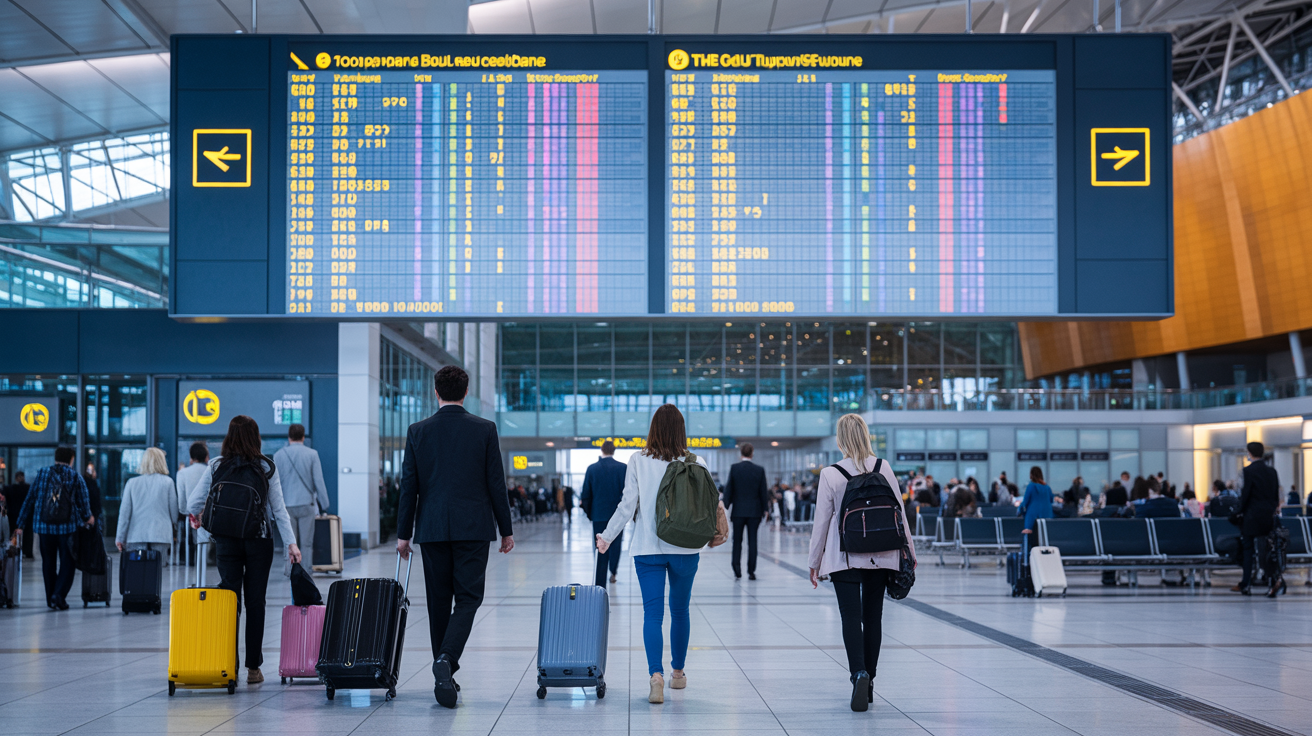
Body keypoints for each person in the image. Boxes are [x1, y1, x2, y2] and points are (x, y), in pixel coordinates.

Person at [396, 365, 514, 708]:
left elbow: (409, 487)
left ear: (436, 392)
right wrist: (506, 530)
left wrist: (404, 534)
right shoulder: (485, 429)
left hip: (432, 529)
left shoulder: (418, 431)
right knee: (467, 598)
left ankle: (443, 671)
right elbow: (496, 483)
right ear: (466, 392)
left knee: (437, 603)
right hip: (472, 528)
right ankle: (445, 662)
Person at [596, 404, 706, 705]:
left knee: (653, 614)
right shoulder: (697, 461)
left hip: (648, 548)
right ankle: (678, 674)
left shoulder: (638, 460)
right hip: (686, 547)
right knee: (680, 611)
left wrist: (606, 537)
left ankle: (655, 677)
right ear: (681, 429)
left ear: (653, 429)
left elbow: (627, 505)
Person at [808, 414, 915, 713]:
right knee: (874, 618)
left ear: (840, 438)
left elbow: (822, 523)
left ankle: (859, 673)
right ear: (866, 436)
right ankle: (871, 681)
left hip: (844, 556)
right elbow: (900, 514)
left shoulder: (831, 473)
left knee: (850, 618)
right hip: (881, 554)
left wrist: (814, 562)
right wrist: (910, 552)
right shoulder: (884, 467)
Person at [187, 416, 301, 685]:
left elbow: (192, 503)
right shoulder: (266, 467)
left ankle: (230, 665)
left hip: (226, 540)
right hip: (259, 540)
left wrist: (200, 515)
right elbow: (279, 511)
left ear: (229, 436)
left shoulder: (216, 465)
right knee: (255, 601)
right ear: (256, 437)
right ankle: (253, 668)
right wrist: (291, 543)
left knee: (229, 600)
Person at [12, 447, 94, 610]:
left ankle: (51, 598)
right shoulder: (75, 476)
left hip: (44, 527)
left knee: (48, 563)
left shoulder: (42, 474)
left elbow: (29, 500)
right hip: (67, 528)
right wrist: (89, 518)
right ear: (71, 459)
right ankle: (58, 595)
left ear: (55, 458)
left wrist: (19, 524)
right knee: (68, 562)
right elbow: (83, 503)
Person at [272, 423, 330, 577]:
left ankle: (289, 572)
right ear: (303, 437)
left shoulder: (278, 455)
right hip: (306, 504)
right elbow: (318, 481)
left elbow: (274, 484)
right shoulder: (312, 454)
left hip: (286, 506)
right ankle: (305, 574)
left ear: (289, 437)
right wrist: (325, 504)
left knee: (289, 543)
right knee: (306, 544)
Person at [115, 448, 178, 568]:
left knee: (138, 571)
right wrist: (174, 525)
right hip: (161, 535)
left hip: (136, 535)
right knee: (157, 573)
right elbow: (174, 512)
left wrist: (120, 537)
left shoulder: (131, 483)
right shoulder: (168, 482)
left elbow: (124, 514)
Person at [1235, 442, 1281, 596]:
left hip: (1251, 516)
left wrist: (1238, 511)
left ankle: (1246, 583)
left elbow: (1246, 494)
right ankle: (1271, 582)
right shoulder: (1272, 472)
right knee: (1267, 550)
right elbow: (1275, 495)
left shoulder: (1248, 471)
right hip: (1267, 516)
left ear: (1250, 453)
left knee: (1248, 550)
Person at [579, 440, 626, 586]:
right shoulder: (623, 468)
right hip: (617, 516)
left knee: (600, 547)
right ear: (614, 450)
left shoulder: (592, 469)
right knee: (616, 545)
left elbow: (585, 495)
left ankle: (600, 582)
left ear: (602, 450)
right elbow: (627, 494)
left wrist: (590, 514)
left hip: (598, 515)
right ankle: (613, 572)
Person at [724, 442, 770, 580]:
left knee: (737, 541)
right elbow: (763, 492)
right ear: (752, 453)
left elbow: (729, 490)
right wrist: (766, 509)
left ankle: (736, 569)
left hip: (738, 511)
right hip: (754, 512)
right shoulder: (759, 470)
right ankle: (751, 571)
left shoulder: (734, 468)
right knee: (752, 541)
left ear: (741, 453)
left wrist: (725, 506)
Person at [176, 442, 211, 559]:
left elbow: (181, 499)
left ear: (191, 456)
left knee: (191, 541)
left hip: (190, 515)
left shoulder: (182, 473)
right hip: (209, 515)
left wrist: (185, 512)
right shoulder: (211, 471)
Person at [1018, 466, 1053, 555]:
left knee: (1030, 540)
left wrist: (1020, 511)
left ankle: (1028, 558)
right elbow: (1051, 500)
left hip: (1031, 518)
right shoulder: (1047, 487)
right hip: (1047, 517)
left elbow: (1025, 502)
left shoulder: (1031, 486)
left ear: (1031, 475)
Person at [3, 471, 33, 558]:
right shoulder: (28, 488)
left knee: (13, 533)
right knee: (27, 534)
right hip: (27, 515)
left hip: (13, 514)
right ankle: (27, 552)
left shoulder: (10, 488)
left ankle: (13, 550)